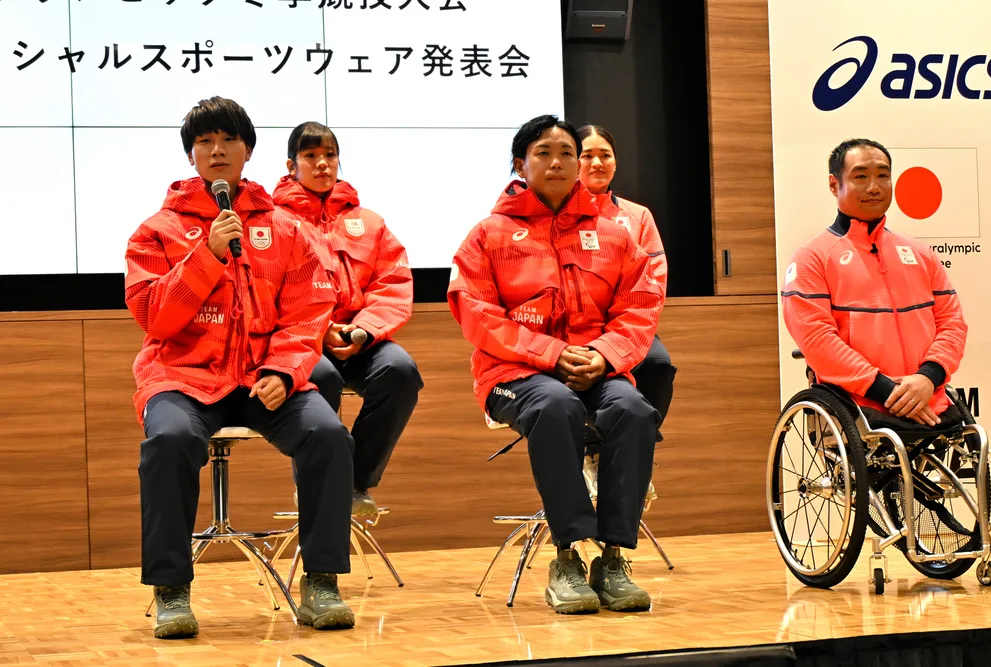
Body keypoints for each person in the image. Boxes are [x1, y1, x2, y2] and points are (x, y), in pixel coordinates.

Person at [125, 97, 356, 639]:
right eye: (205, 142)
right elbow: (157, 320)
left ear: (247, 151)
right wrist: (205, 255)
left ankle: (322, 582)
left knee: (327, 434)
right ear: (191, 156)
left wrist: (283, 370)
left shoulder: (287, 229)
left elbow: (309, 311)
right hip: (182, 377)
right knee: (169, 442)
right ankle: (171, 590)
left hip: (261, 377)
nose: (217, 150)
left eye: (228, 140)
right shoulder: (156, 231)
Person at [447, 115, 663, 614]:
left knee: (633, 410)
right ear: (520, 165)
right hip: (513, 376)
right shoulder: (487, 234)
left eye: (567, 152)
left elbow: (641, 304)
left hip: (595, 368)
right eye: (544, 153)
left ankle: (614, 559)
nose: (559, 162)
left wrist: (605, 355)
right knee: (556, 405)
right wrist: (549, 353)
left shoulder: (613, 233)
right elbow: (477, 316)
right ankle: (565, 557)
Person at [272, 122, 422, 517]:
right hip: (301, 339)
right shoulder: (272, 221)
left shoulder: (369, 221)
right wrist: (319, 332)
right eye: (310, 156)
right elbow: (268, 292)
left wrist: (363, 331)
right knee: (321, 377)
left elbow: (392, 284)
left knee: (401, 370)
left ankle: (354, 482)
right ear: (291, 165)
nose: (322, 164)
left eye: (330, 155)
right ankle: (318, 479)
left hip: (360, 337)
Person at [782, 138, 967, 425]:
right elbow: (817, 340)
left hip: (929, 398)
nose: (874, 186)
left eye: (883, 175)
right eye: (860, 176)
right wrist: (886, 390)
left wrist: (928, 377)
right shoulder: (811, 258)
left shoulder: (921, 254)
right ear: (834, 184)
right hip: (858, 405)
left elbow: (952, 323)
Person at [578, 124, 676, 430]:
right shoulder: (560, 214)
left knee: (658, 365)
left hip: (629, 324)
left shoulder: (638, 216)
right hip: (577, 326)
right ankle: (590, 441)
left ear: (615, 162)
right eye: (587, 155)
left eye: (605, 155)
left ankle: (638, 442)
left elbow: (655, 278)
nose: (597, 163)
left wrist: (629, 325)